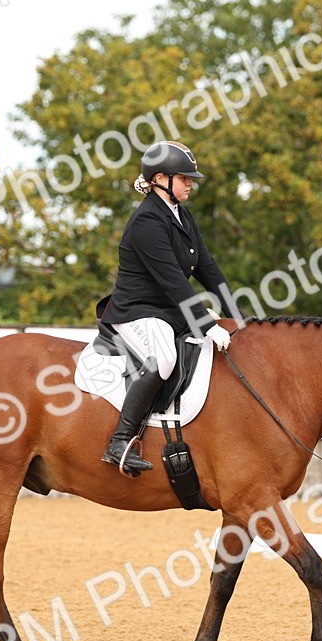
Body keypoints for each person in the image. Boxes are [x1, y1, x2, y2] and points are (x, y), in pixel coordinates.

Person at [95, 141, 235, 475]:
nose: (190, 183)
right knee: (165, 359)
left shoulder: (182, 215)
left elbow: (207, 268)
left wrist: (238, 316)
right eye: (184, 178)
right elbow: (175, 282)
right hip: (136, 310)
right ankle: (119, 441)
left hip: (168, 311)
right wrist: (206, 323)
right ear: (160, 179)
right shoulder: (146, 221)